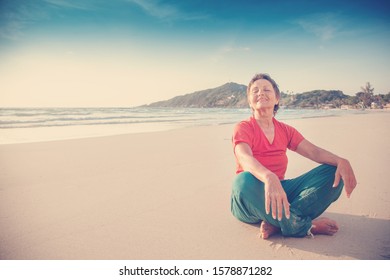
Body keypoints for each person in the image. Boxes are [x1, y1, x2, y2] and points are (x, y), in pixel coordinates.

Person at [231, 73, 357, 238]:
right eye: (255, 90)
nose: (260, 92)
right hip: (251, 197)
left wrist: (341, 161)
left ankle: (279, 223)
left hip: (280, 192)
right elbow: (244, 158)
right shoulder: (244, 127)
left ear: (277, 98)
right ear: (249, 101)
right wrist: (268, 176)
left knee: (334, 172)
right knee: (242, 180)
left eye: (266, 89)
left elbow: (314, 152)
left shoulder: (285, 130)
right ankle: (304, 225)